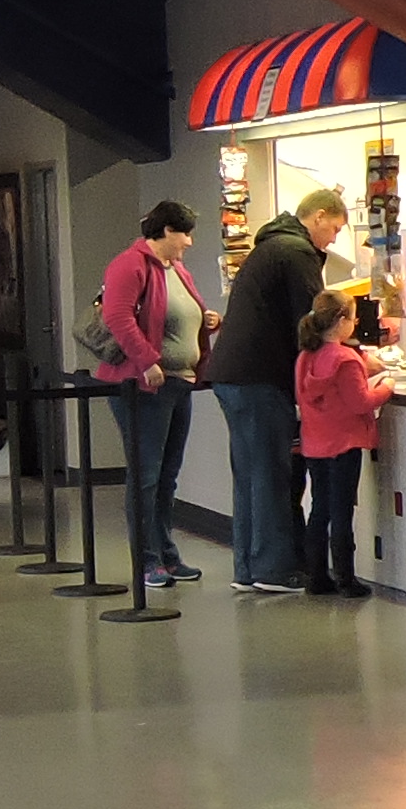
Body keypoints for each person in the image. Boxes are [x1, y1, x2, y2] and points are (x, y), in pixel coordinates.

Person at [197, 200, 323, 594]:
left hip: (232, 375)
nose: (334, 238)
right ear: (319, 217)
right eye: (335, 228)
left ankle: (248, 567)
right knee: (271, 473)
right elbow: (311, 322)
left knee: (250, 474)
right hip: (260, 377)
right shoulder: (297, 252)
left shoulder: (268, 247)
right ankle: (275, 569)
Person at [97, 201, 212, 589]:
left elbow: (178, 315)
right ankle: (147, 560)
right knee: (146, 475)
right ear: (165, 231)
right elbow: (117, 316)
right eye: (184, 233)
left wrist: (207, 322)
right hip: (144, 385)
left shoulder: (176, 268)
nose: (189, 242)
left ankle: (166, 553)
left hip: (178, 382)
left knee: (167, 476)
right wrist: (147, 360)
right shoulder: (130, 265)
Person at [292, 289, 384, 597]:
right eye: (354, 318)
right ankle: (346, 578)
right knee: (342, 511)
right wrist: (386, 387)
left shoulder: (306, 356)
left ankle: (317, 576)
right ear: (342, 320)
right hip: (344, 444)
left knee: (320, 509)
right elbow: (361, 402)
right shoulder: (346, 359)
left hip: (315, 443)